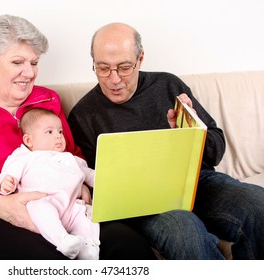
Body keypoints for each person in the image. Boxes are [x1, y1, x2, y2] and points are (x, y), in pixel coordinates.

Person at [0, 15, 156, 260]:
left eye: (34, 62)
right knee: (48, 261)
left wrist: (80, 182)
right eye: (18, 62)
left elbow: (70, 153)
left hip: (61, 207)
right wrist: (0, 206)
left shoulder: (47, 100)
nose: (29, 73)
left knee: (129, 246)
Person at [68, 22, 264, 260]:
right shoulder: (83, 115)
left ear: (140, 59)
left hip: (194, 183)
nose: (114, 79)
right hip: (140, 202)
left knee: (258, 204)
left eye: (124, 67)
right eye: (103, 68)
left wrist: (188, 133)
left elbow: (216, 149)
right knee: (184, 231)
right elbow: (94, 185)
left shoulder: (168, 85)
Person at [0, 108, 99, 259]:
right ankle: (63, 240)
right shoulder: (25, 157)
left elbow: (91, 174)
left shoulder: (70, 158)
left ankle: (88, 248)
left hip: (71, 207)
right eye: (50, 132)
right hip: (45, 202)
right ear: (28, 140)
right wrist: (7, 182)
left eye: (60, 132)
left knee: (85, 215)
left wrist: (108, 180)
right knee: (38, 207)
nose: (58, 137)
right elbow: (8, 172)